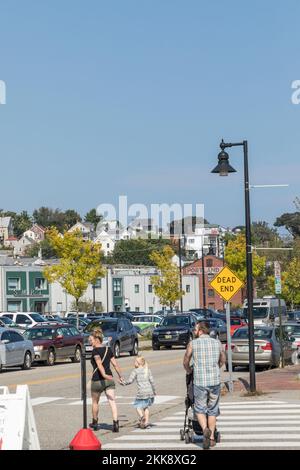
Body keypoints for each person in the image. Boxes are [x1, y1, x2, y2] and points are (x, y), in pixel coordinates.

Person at [183, 321, 226, 449]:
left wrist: (189, 370)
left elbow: (186, 360)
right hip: (214, 381)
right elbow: (223, 359)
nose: (194, 332)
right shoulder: (217, 343)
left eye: (195, 329)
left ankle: (205, 429)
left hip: (200, 381)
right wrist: (217, 367)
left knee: (200, 408)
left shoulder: (193, 343)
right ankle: (211, 438)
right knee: (213, 409)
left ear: (201, 331)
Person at [88, 328, 123, 432]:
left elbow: (99, 364)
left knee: (95, 402)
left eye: (91, 340)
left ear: (97, 340)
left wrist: (103, 374)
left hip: (97, 380)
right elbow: (115, 364)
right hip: (109, 379)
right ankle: (115, 423)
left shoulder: (95, 351)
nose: (90, 341)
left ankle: (95, 423)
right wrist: (120, 376)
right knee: (112, 401)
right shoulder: (108, 349)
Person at [121, 356, 156, 429]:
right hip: (149, 391)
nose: (134, 363)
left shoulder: (135, 371)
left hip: (142, 392)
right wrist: (154, 391)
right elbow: (152, 381)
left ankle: (142, 417)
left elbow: (130, 381)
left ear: (139, 363)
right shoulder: (147, 370)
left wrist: (123, 383)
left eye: (135, 362)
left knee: (137, 406)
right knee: (146, 407)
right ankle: (146, 422)